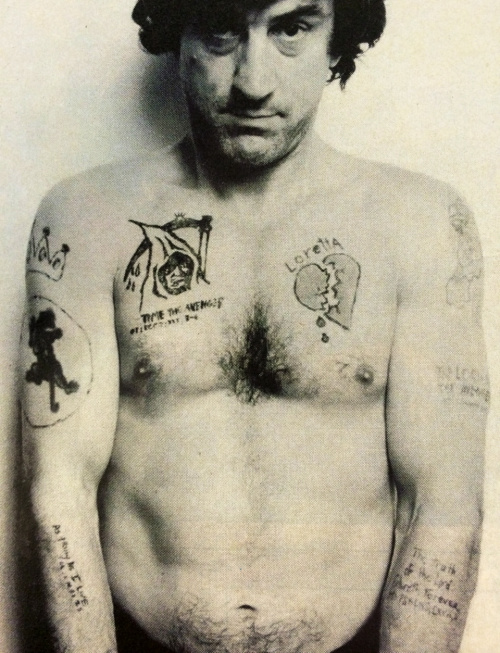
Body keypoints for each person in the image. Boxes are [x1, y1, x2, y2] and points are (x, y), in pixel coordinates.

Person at [19, 0, 489, 651]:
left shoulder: (423, 224)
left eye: (292, 29)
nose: (252, 82)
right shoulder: (86, 219)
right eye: (221, 27)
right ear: (177, 33)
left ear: (337, 39)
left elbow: (440, 505)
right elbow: (60, 491)